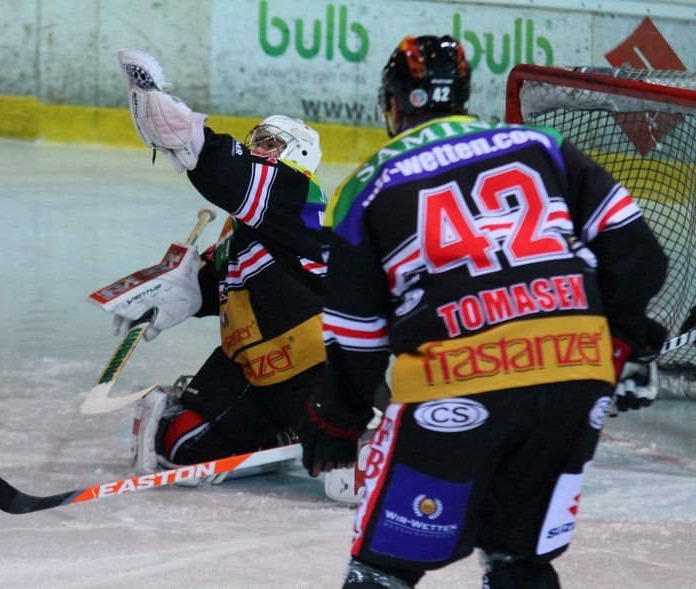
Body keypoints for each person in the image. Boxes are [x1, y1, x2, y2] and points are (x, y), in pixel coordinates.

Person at [297, 35, 669, 588]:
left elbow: (356, 335)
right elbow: (641, 259)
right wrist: (630, 343)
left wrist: (336, 420)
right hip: (575, 375)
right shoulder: (542, 144)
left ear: (393, 103)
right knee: (520, 563)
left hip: (458, 384)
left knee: (384, 569)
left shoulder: (369, 184)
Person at [105, 49, 329, 478]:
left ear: (298, 157)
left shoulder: (294, 192)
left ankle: (336, 426)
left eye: (271, 143)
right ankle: (282, 433)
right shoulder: (244, 225)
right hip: (253, 371)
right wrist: (178, 290)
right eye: (257, 139)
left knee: (346, 467)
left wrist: (182, 129)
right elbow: (216, 283)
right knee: (179, 445)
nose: (257, 148)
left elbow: (223, 169)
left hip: (314, 368)